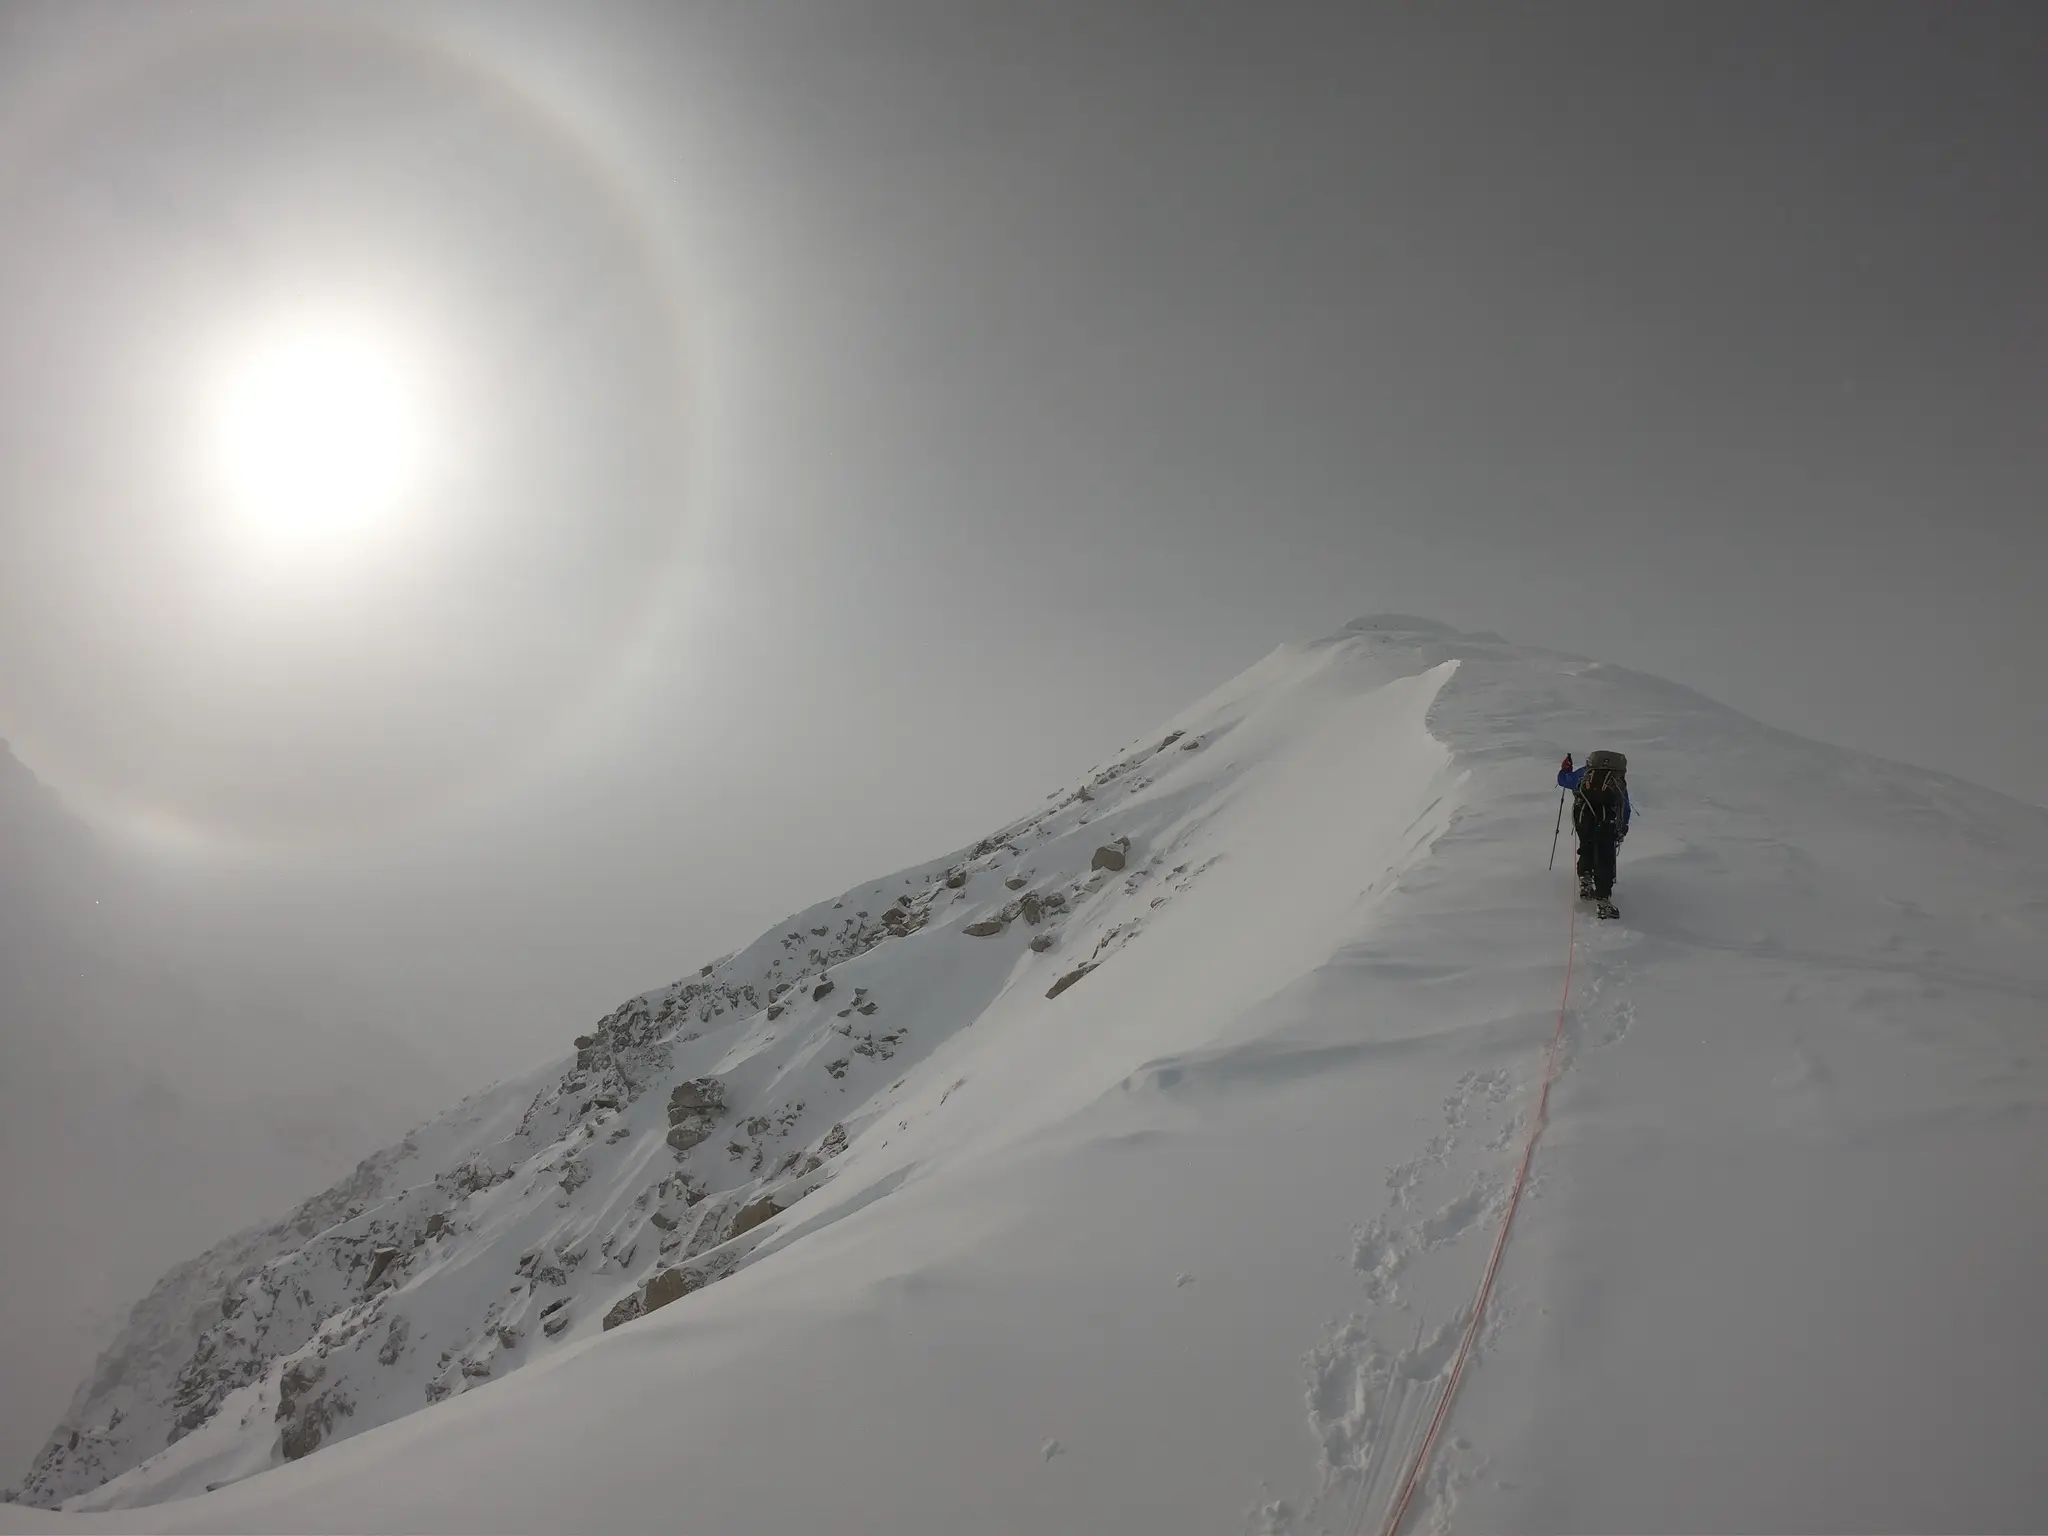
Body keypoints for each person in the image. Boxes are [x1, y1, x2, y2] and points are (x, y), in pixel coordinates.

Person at [1558, 751, 1631, 917]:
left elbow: (1563, 780)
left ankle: (1585, 881)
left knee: (1586, 845)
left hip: (1583, 816)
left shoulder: (1585, 773)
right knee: (1605, 856)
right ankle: (1603, 902)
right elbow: (1624, 805)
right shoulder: (1616, 780)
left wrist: (1565, 770)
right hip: (1608, 820)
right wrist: (1623, 826)